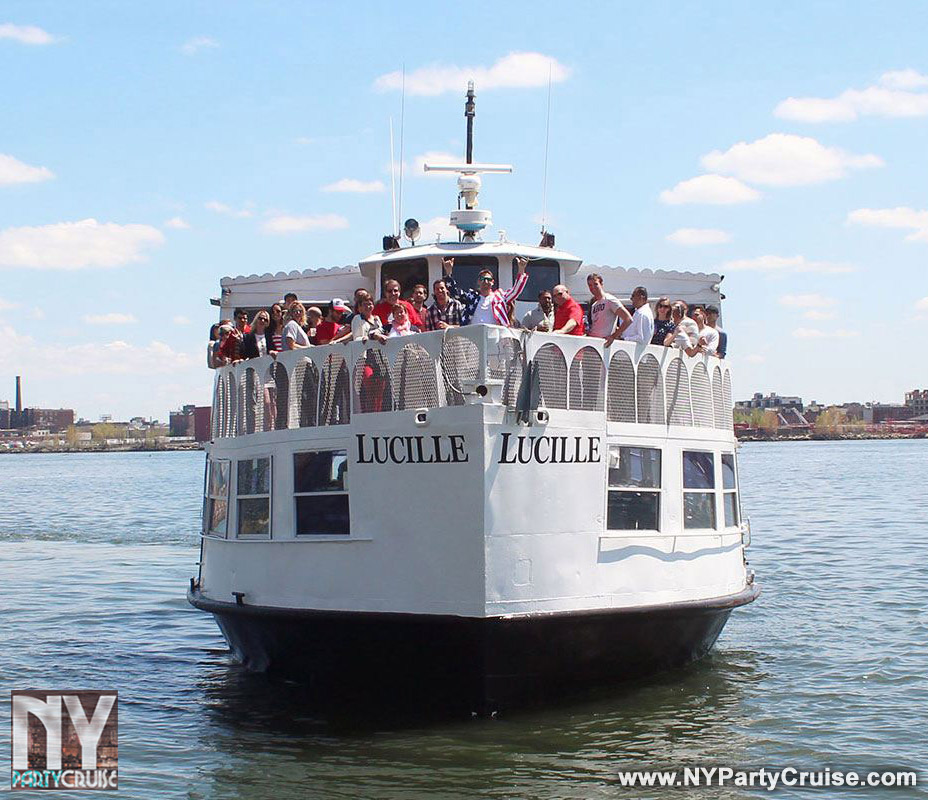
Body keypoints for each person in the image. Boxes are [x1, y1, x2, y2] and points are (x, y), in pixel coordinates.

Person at [442, 256, 529, 326]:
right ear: (478, 281)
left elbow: (515, 291)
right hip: (474, 338)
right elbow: (455, 293)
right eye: (482, 279)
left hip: (494, 337)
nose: (485, 281)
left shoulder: (500, 296)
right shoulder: (472, 297)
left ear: (492, 282)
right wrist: (448, 272)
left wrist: (521, 270)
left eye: (488, 279)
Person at [586, 274, 623, 338]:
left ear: (601, 284)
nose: (593, 287)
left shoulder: (610, 300)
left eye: (595, 284)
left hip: (604, 343)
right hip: (594, 341)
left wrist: (614, 336)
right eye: (590, 285)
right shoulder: (594, 305)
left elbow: (628, 319)